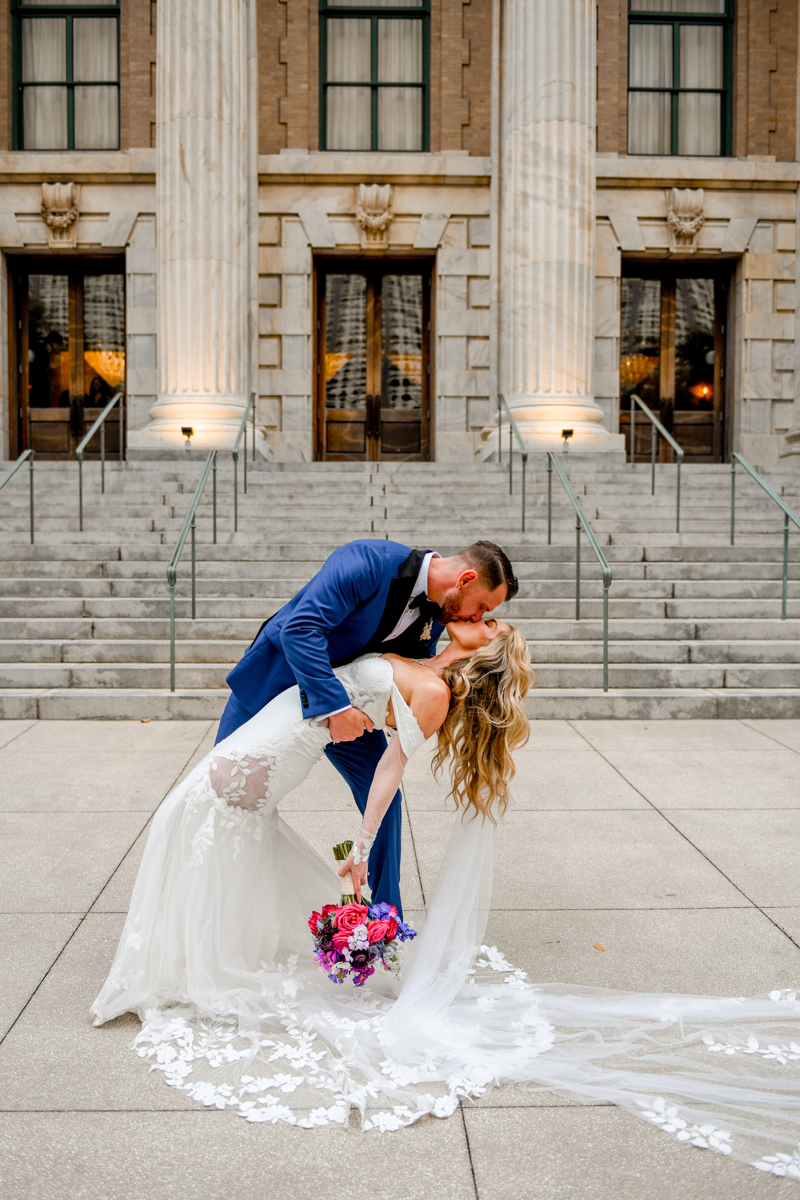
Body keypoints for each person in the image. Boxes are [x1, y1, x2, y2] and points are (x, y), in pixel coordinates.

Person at [91, 620, 800, 1177]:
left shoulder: (433, 693)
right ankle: (190, 958)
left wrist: (362, 847)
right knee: (201, 829)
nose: (480, 617)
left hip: (271, 753)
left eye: (491, 623)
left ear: (485, 650)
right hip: (274, 733)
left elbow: (389, 772)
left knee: (198, 822)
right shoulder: (425, 659)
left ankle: (186, 967)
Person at [215, 539, 518, 915]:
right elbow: (300, 628)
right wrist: (337, 708)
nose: (477, 617)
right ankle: (220, 899)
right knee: (222, 795)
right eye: (483, 607)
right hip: (278, 681)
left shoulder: (439, 615)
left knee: (386, 803)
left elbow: (407, 673)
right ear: (466, 580)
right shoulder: (368, 562)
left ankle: (385, 922)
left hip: (352, 709)